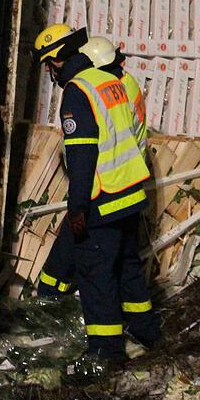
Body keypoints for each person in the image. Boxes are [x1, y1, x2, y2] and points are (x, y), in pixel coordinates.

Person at [32, 25, 160, 375]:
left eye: (49, 64)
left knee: (96, 277)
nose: (49, 72)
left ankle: (106, 354)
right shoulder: (111, 82)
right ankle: (147, 332)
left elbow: (83, 155)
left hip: (102, 197)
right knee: (127, 267)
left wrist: (77, 208)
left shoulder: (77, 91)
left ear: (59, 59)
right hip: (130, 193)